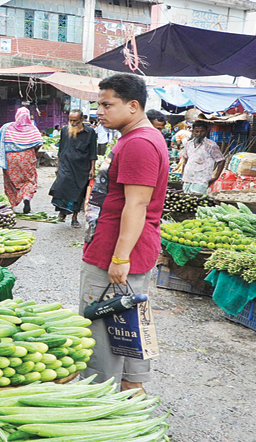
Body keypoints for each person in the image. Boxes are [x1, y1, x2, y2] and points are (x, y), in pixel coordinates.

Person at [80, 73, 168, 394]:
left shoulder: (139, 143)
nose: (99, 111)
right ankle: (133, 391)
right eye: (98, 104)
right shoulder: (137, 137)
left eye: (107, 104)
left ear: (133, 106)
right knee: (128, 321)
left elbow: (137, 205)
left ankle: (100, 399)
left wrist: (119, 257)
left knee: (100, 331)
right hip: (125, 251)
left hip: (116, 255)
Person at [49, 109, 98, 228]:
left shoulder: (90, 132)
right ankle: (63, 210)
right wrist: (58, 165)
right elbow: (61, 148)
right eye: (70, 120)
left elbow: (93, 151)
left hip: (82, 167)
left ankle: (74, 218)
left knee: (79, 192)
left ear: (82, 119)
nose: (72, 123)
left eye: (75, 120)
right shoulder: (65, 130)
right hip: (66, 164)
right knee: (61, 186)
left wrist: (92, 169)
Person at [0, 107, 43, 214]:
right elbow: (39, 143)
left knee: (11, 180)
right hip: (27, 157)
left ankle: (11, 202)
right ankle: (26, 197)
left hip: (10, 158)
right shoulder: (33, 129)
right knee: (29, 179)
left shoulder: (7, 127)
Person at [180, 121, 225, 194]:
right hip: (188, 177)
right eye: (196, 131)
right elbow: (185, 160)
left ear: (206, 131)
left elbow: (221, 161)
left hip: (202, 179)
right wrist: (183, 175)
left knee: (197, 200)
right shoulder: (188, 144)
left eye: (202, 131)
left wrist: (215, 177)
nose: (199, 134)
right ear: (193, 131)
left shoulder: (211, 145)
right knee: (185, 200)